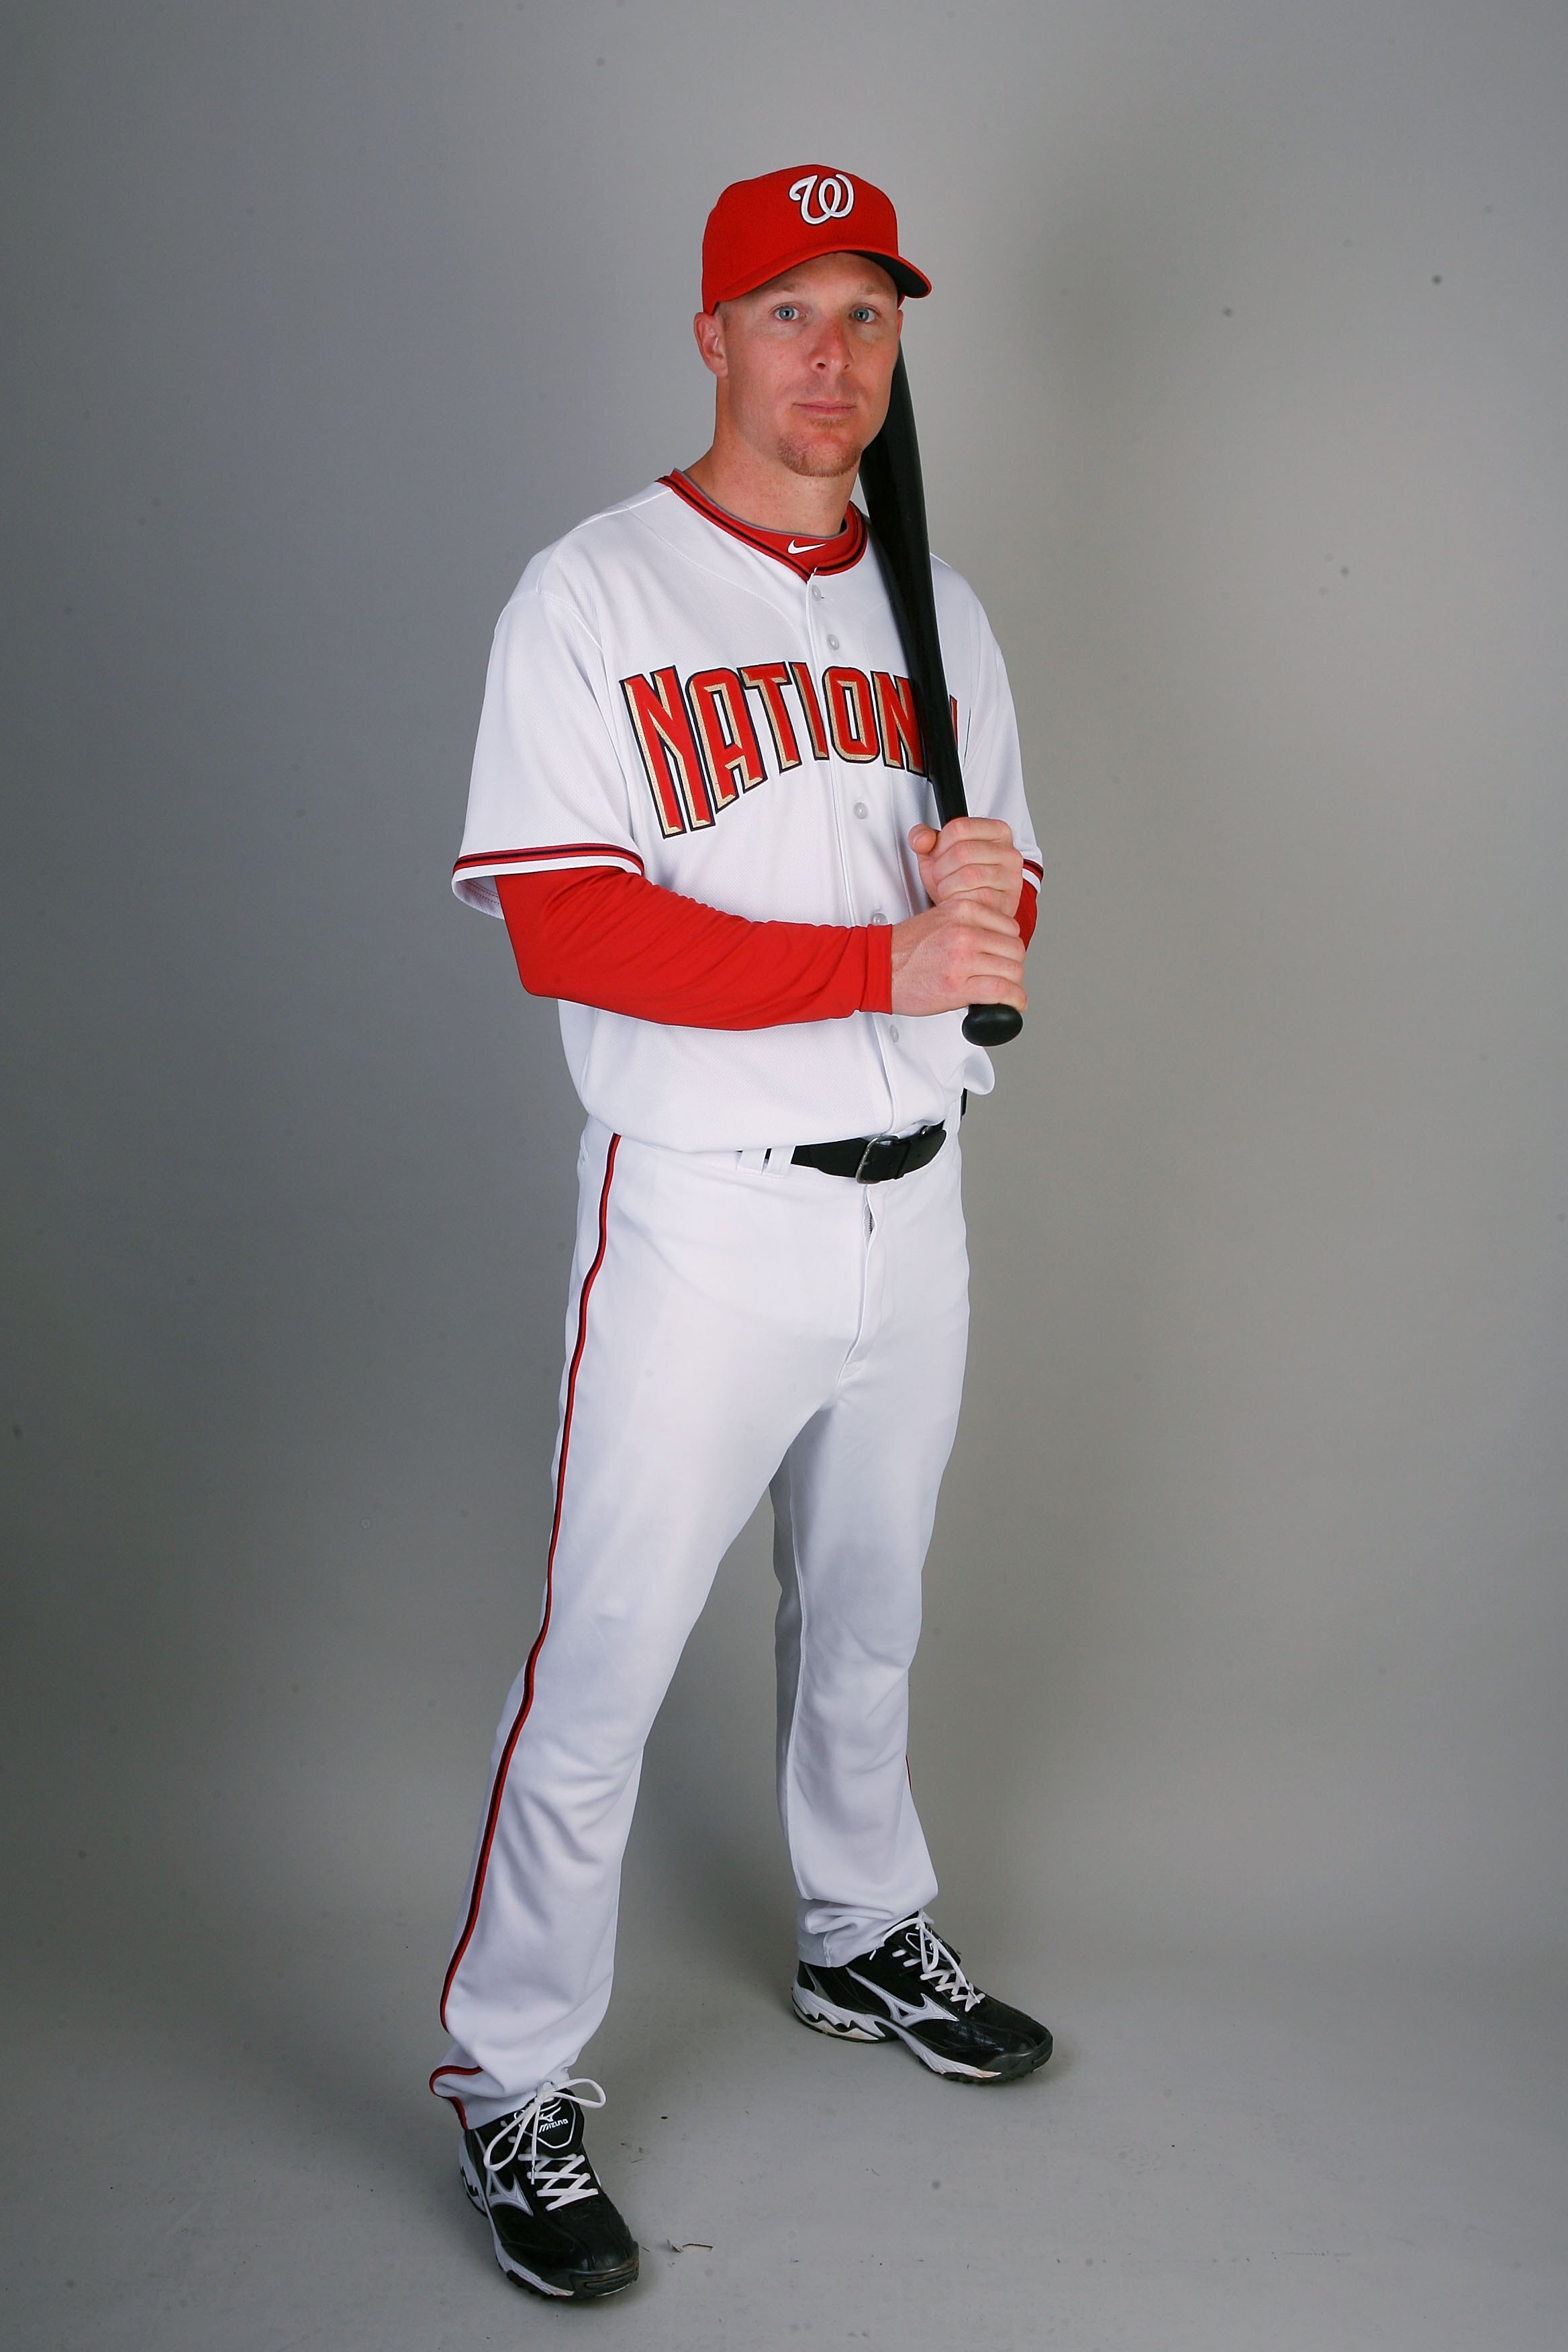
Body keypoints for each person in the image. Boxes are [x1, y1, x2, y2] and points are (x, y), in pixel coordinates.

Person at [433, 163, 1050, 2304]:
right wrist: (880, 970)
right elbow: (564, 921)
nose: (833, 357)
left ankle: (862, 1934)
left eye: (869, 315)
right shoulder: (593, 592)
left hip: (916, 1206)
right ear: (709, 334)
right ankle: (512, 2076)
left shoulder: (936, 606)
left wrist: (985, 939)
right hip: (701, 1216)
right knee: (601, 1663)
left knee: (868, 1617)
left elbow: (996, 890)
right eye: (787, 311)